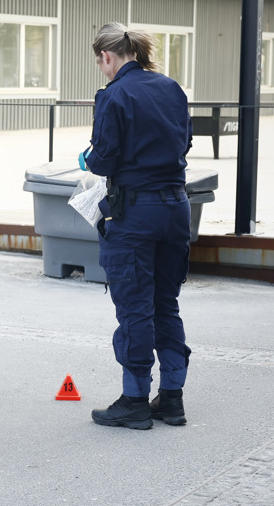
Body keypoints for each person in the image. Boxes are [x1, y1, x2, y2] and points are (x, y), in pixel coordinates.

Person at [82, 22, 194, 431]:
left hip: (135, 214)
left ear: (108, 57)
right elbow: (184, 143)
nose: (102, 70)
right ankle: (172, 399)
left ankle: (134, 400)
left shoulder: (114, 95)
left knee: (135, 309)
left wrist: (89, 159)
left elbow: (104, 160)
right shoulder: (171, 88)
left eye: (100, 63)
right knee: (166, 304)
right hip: (176, 209)